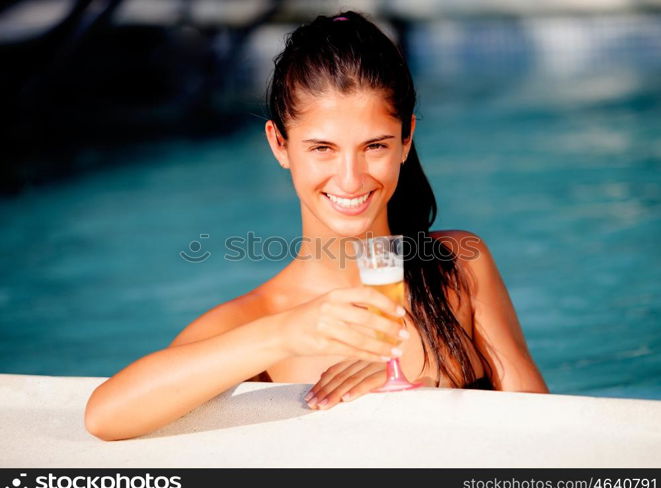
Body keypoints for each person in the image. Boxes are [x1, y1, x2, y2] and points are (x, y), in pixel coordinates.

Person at [84, 10, 548, 441]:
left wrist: (425, 399)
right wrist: (289, 333)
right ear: (280, 145)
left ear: (406, 140)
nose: (350, 179)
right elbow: (106, 417)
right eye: (322, 148)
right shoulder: (257, 320)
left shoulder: (458, 268)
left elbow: (547, 428)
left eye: (375, 146)